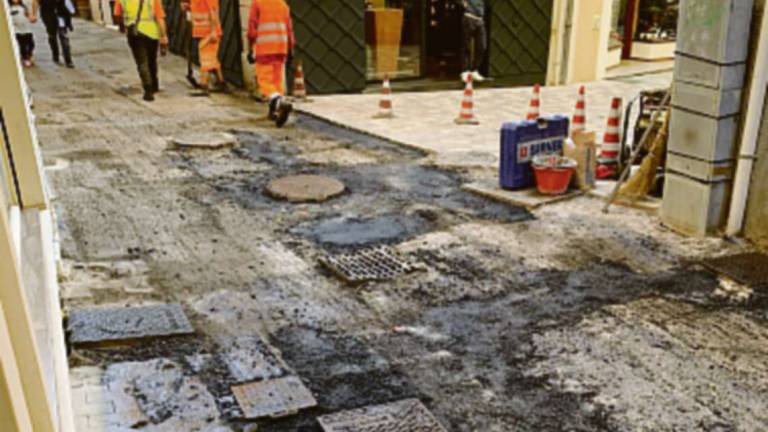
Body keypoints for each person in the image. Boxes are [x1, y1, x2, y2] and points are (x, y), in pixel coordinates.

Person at [247, 0, 295, 127]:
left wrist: (250, 48)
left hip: (265, 48)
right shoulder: (283, 5)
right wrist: (291, 49)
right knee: (277, 80)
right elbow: (289, 29)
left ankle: (279, 103)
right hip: (281, 48)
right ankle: (275, 111)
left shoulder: (257, 3)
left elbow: (252, 28)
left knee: (265, 81)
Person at [114, 0, 169, 102]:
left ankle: (148, 90)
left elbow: (117, 15)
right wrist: (164, 36)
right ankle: (154, 85)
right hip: (152, 33)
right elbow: (160, 18)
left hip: (133, 32)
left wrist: (122, 27)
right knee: (152, 60)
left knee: (142, 62)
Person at [189, 0, 227, 94]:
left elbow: (213, 12)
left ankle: (204, 85)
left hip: (208, 32)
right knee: (211, 59)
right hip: (202, 31)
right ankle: (221, 82)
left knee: (205, 59)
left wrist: (213, 31)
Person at [37, 0, 75, 67]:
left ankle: (68, 60)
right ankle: (55, 57)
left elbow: (71, 9)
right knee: (52, 38)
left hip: (61, 20)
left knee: (64, 40)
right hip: (50, 20)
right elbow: (42, 10)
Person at [460, 0, 486, 82]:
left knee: (482, 46)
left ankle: (474, 70)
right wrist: (462, 3)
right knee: (466, 46)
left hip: (480, 19)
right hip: (469, 17)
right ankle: (465, 70)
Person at [9, 0, 35, 67]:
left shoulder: (23, 7)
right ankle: (25, 59)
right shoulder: (9, 8)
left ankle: (29, 55)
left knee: (31, 43)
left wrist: (31, 18)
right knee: (22, 45)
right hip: (16, 29)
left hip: (26, 28)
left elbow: (28, 15)